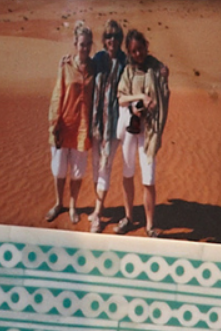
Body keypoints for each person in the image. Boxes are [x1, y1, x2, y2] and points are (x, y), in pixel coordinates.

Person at [105, 26, 170, 233]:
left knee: (148, 177)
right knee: (127, 172)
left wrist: (165, 78)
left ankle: (150, 225)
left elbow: (164, 93)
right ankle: (128, 217)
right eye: (133, 51)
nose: (138, 54)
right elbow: (121, 97)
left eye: (140, 49)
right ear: (130, 52)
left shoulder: (156, 68)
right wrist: (140, 98)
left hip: (149, 130)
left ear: (145, 46)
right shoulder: (128, 71)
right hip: (130, 129)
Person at [44, 20, 94, 222]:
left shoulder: (94, 67)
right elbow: (58, 94)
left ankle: (73, 206)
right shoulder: (65, 65)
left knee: (77, 171)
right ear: (75, 44)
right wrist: (54, 122)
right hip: (64, 125)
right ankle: (59, 203)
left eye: (88, 44)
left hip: (83, 128)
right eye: (82, 44)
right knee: (59, 169)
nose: (85, 48)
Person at [84, 18, 126, 231]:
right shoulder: (98, 59)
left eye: (116, 36)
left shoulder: (125, 62)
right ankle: (96, 207)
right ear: (104, 39)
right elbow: (81, 64)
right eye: (109, 36)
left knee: (105, 167)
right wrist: (67, 60)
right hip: (96, 124)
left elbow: (145, 64)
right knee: (95, 167)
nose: (112, 40)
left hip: (113, 127)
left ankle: (98, 214)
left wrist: (161, 68)